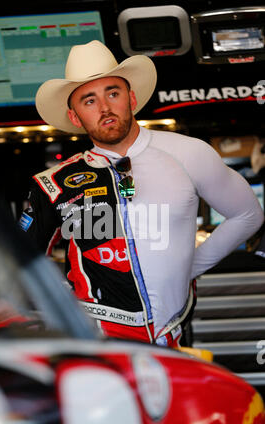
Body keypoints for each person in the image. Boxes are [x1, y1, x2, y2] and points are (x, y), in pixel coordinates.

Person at [19, 40, 264, 347]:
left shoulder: (188, 153)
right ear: (75, 116)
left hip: (170, 335)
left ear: (131, 98)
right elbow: (17, 263)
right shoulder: (54, 182)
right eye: (89, 100)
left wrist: (190, 266)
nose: (105, 108)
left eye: (113, 93)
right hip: (97, 343)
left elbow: (248, 214)